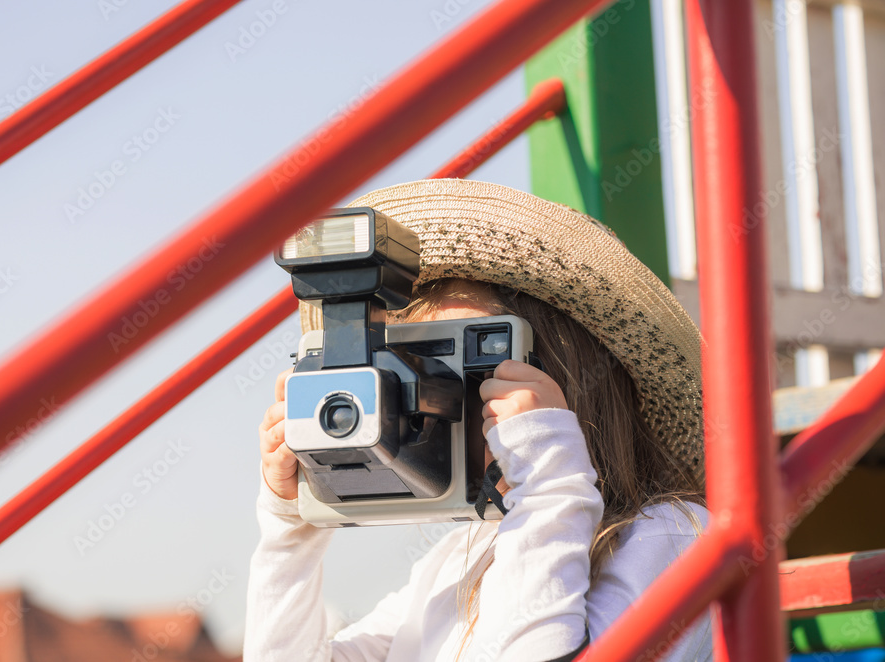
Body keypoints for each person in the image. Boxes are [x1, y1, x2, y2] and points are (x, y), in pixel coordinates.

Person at [245, 179, 712, 661]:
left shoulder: (673, 534)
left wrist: (549, 474)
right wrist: (288, 525)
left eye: (465, 361)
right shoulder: (456, 559)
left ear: (565, 378)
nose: (423, 399)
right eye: (409, 371)